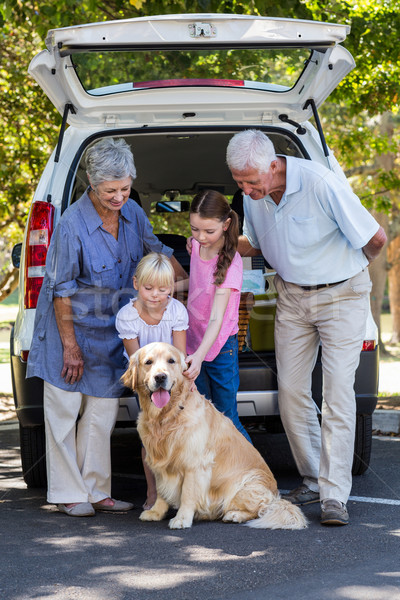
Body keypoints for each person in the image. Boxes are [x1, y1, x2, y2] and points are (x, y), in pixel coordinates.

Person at [225, 129, 387, 526]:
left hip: (341, 295)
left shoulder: (320, 183)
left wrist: (348, 273)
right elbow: (259, 243)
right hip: (292, 297)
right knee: (292, 392)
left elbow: (376, 239)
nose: (245, 188)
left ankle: (335, 495)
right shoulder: (254, 196)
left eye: (250, 180)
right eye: (239, 181)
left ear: (273, 166)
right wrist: (224, 237)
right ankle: (314, 477)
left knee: (336, 396)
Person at [27, 137, 186, 517]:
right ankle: (68, 493)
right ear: (91, 184)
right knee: (64, 410)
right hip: (71, 327)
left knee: (101, 414)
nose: (119, 197)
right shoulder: (70, 226)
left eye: (125, 188)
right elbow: (60, 290)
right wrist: (70, 347)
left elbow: (158, 254)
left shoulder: (133, 213)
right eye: (110, 190)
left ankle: (97, 490)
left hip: (110, 332)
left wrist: (192, 284)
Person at [115, 252, 189, 509]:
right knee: (150, 436)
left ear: (171, 288)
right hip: (145, 380)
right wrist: (151, 388)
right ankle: (153, 493)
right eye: (148, 288)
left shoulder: (176, 311)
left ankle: (181, 495)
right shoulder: (127, 316)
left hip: (173, 379)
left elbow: (179, 357)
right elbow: (135, 361)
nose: (156, 295)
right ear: (136, 284)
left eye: (163, 289)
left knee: (179, 434)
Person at [178, 189, 252, 444]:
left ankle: (253, 476)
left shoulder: (231, 262)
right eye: (194, 229)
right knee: (203, 416)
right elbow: (197, 284)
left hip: (220, 349)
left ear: (226, 224)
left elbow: (216, 319)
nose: (200, 237)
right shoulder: (197, 245)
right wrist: (165, 289)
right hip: (194, 341)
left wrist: (199, 357)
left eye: (209, 231)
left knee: (226, 418)